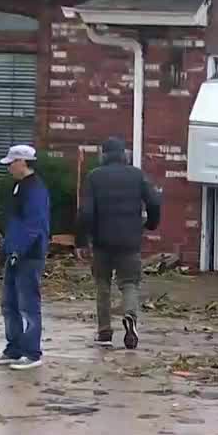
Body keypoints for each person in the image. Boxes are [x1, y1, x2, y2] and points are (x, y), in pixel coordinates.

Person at [76, 137, 162, 349]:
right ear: (125, 154)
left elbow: (85, 212)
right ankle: (130, 314)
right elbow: (154, 201)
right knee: (130, 283)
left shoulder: (94, 177)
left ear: (103, 154)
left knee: (102, 284)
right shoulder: (137, 175)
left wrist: (81, 241)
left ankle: (104, 331)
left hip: (102, 241)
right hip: (130, 239)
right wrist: (151, 224)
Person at [0, 144, 50, 370]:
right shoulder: (19, 187)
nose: (8, 168)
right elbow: (16, 224)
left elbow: (33, 225)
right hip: (15, 253)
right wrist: (7, 249)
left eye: (11, 163)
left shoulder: (34, 189)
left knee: (28, 305)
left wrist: (18, 250)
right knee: (10, 304)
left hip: (29, 255)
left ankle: (32, 353)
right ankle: (13, 349)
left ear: (22, 162)